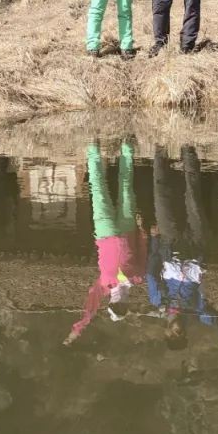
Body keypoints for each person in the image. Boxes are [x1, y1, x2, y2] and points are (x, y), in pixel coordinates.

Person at [146, 145, 218, 373]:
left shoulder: (158, 302)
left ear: (166, 332)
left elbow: (151, 273)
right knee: (192, 196)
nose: (177, 332)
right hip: (196, 244)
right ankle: (188, 149)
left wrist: (153, 241)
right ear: (185, 334)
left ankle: (160, 150)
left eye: (172, 336)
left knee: (161, 194)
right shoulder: (198, 310)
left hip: (168, 243)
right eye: (180, 336)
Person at [64, 142, 147, 345]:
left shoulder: (103, 286)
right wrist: (143, 231)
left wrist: (77, 330)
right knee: (126, 188)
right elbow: (143, 251)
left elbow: (90, 308)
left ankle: (93, 148)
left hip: (105, 232)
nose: (120, 305)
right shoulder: (138, 278)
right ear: (128, 306)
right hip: (128, 229)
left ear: (109, 305)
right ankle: (127, 148)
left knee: (99, 190)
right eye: (123, 309)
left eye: (115, 308)